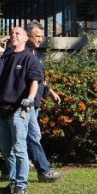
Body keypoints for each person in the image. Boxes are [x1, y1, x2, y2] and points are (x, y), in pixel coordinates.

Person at [0, 26, 43, 194]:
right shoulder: (5, 57)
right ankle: (13, 182)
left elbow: (34, 82)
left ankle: (21, 185)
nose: (13, 35)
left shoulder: (29, 58)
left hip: (19, 109)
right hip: (2, 109)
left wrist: (30, 98)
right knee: (6, 150)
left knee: (19, 148)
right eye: (11, 33)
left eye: (17, 33)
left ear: (25, 38)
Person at [26, 21, 62, 182]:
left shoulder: (36, 56)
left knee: (24, 137)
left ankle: (8, 170)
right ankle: (44, 171)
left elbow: (41, 80)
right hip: (27, 103)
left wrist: (52, 93)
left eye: (41, 36)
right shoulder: (23, 54)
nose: (40, 40)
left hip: (36, 103)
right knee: (33, 136)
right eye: (37, 36)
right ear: (28, 36)